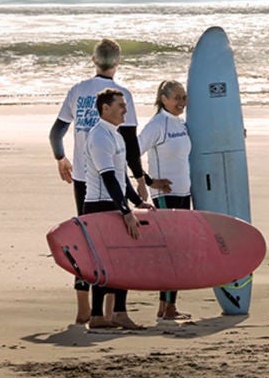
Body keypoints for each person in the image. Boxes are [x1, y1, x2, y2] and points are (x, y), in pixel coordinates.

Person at [49, 38, 151, 324]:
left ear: (94, 60)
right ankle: (110, 311)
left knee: (87, 243)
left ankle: (85, 309)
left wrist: (61, 158)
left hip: (82, 178)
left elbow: (55, 133)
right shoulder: (120, 94)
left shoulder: (78, 91)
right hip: (105, 181)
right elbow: (129, 144)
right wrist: (140, 180)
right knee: (115, 243)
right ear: (117, 63)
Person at [82, 87, 150, 330]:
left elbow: (121, 177)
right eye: (120, 106)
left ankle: (119, 312)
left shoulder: (116, 135)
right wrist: (126, 212)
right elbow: (109, 177)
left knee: (123, 259)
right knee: (103, 261)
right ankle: (97, 315)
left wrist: (137, 202)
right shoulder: (99, 136)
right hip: (99, 206)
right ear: (105, 108)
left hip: (114, 202)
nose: (125, 110)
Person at [139, 80, 189, 321]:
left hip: (183, 194)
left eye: (184, 98)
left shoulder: (180, 123)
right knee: (172, 253)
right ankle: (167, 308)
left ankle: (166, 306)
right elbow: (131, 152)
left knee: (177, 252)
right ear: (163, 98)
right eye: (176, 98)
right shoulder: (157, 124)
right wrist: (149, 181)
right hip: (165, 197)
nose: (181, 102)